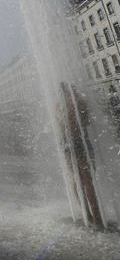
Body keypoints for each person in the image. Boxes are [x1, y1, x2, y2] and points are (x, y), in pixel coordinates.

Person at [58, 82, 104, 230]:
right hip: (80, 143)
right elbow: (87, 122)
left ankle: (88, 217)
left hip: (66, 145)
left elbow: (59, 126)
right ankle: (97, 219)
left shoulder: (58, 105)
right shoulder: (79, 101)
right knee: (87, 180)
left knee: (76, 180)